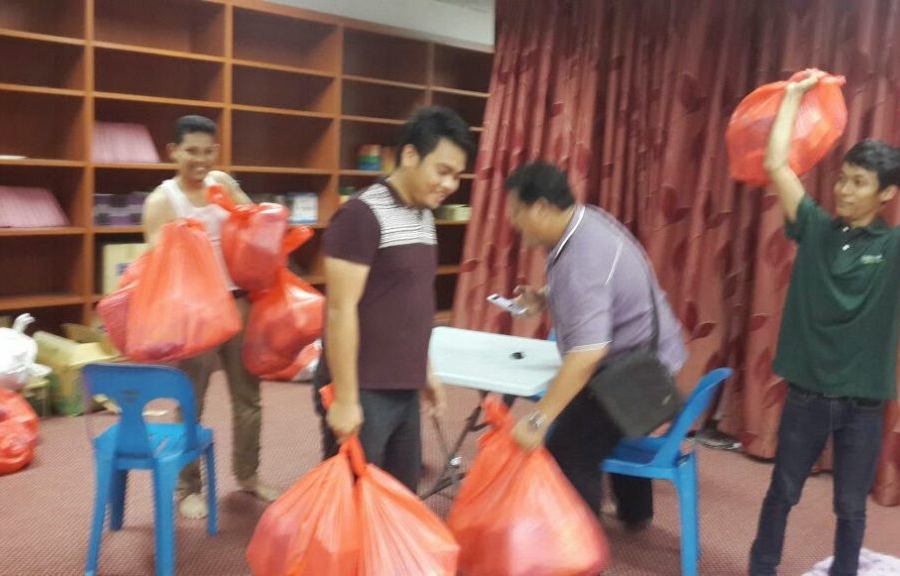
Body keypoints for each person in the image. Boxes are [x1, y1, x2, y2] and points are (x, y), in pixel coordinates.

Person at [748, 77, 900, 576]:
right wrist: (793, 97)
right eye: (843, 178)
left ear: (886, 193)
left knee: (850, 507)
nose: (843, 189)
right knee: (782, 492)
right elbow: (776, 165)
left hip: (862, 407)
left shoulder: (899, 246)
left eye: (858, 182)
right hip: (806, 396)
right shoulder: (814, 227)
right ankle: (761, 569)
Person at [505, 162, 688, 530]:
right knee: (588, 420)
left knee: (568, 449)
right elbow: (599, 290)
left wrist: (538, 419)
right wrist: (545, 297)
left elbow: (588, 355)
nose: (513, 221)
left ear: (540, 207)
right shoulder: (585, 221)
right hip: (649, 355)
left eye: (517, 211)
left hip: (638, 376)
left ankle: (581, 550)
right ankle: (635, 512)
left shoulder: (581, 258)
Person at [314, 106, 475, 491]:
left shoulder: (423, 215)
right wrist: (346, 399)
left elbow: (411, 302)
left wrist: (425, 369)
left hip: (402, 385)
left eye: (456, 175)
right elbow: (339, 311)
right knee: (355, 495)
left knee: (399, 493)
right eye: (443, 171)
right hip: (363, 387)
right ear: (410, 155)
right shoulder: (361, 216)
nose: (450, 184)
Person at [142, 115, 277, 519]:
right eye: (191, 152)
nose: (200, 160)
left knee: (248, 397)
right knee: (191, 400)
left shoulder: (223, 184)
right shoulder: (162, 201)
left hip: (238, 303)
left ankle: (248, 475)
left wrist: (250, 209)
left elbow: (254, 227)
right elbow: (160, 268)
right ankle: (188, 487)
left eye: (207, 152)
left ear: (215, 151)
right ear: (173, 152)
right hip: (195, 313)